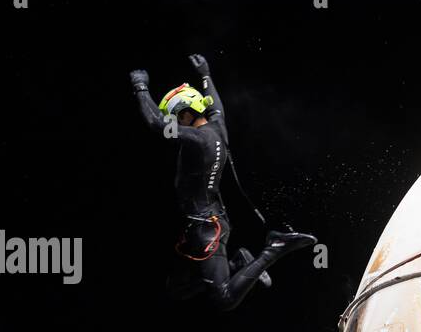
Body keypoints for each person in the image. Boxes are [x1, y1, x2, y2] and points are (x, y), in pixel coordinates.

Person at [128, 54, 316, 311]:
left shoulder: (198, 140)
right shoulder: (217, 127)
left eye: (175, 117)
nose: (174, 123)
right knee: (178, 288)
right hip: (208, 221)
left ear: (185, 113)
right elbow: (216, 106)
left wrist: (140, 86)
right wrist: (205, 74)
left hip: (206, 230)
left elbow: (154, 123)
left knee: (223, 298)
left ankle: (274, 248)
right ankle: (238, 263)